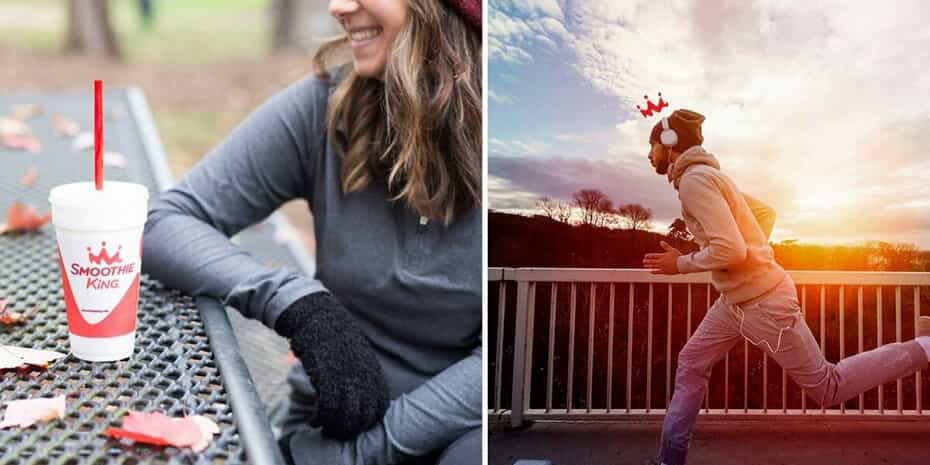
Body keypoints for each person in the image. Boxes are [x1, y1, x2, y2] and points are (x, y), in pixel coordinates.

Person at [142, 1, 482, 464]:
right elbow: (167, 224)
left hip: (455, 435)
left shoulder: (524, 157)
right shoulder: (327, 105)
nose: (338, 6)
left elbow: (503, 365)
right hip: (328, 429)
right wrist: (299, 304)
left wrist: (355, 457)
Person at [642, 109, 930, 465]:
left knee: (828, 386)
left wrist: (682, 264)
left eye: (652, 144)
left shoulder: (694, 181)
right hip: (734, 302)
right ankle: (670, 459)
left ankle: (923, 347)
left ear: (669, 144)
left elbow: (731, 248)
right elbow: (763, 216)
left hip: (765, 305)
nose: (649, 154)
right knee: (691, 361)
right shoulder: (713, 177)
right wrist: (748, 258)